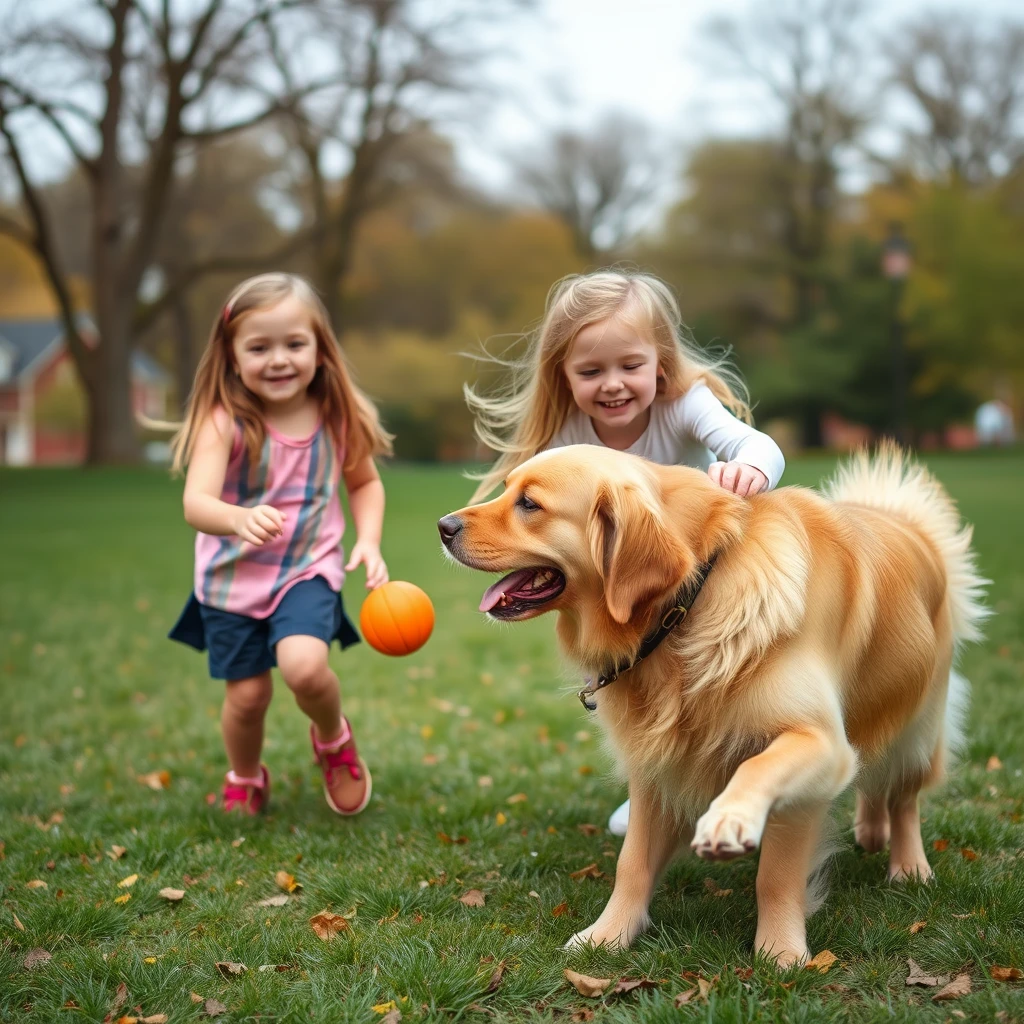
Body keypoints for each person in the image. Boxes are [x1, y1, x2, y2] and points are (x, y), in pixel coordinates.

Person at [465, 269, 786, 835]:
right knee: (636, 683)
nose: (612, 384)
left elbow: (754, 443)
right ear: (563, 376)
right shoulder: (566, 436)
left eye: (629, 366)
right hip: (623, 579)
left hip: (698, 574)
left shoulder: (685, 403)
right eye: (591, 371)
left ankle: (741, 775)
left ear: (660, 363)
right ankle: (656, 789)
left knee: (713, 679)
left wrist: (750, 466)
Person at [168, 272, 392, 818]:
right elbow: (196, 502)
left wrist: (369, 541)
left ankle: (334, 741)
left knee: (305, 669)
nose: (278, 359)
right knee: (247, 699)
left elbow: (364, 483)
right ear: (232, 356)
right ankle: (245, 775)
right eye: (259, 347)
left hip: (306, 569)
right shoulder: (225, 423)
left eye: (294, 344)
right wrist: (236, 517)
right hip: (230, 579)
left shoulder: (336, 419)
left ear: (320, 350)